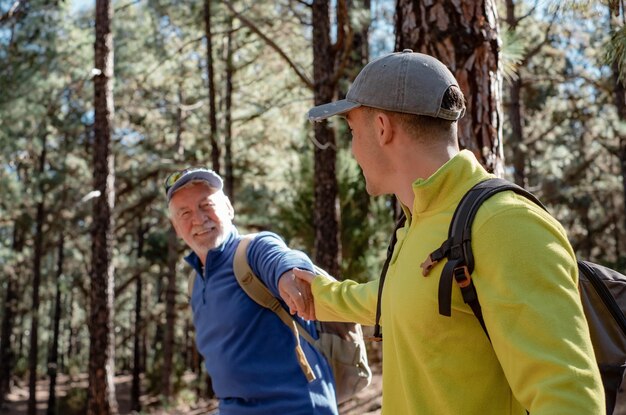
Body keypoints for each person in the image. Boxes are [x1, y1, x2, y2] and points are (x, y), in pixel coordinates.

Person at [290, 50, 605, 414]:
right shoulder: (421, 220)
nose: (352, 150)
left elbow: (569, 397)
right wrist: (318, 297)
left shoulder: (505, 225)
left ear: (381, 127)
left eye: (351, 132)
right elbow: (404, 296)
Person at [165, 168, 338, 415]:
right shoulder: (196, 280)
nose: (199, 218)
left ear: (228, 207)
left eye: (206, 204)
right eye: (185, 213)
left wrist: (289, 273)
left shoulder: (252, 251)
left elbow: (279, 256)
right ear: (175, 227)